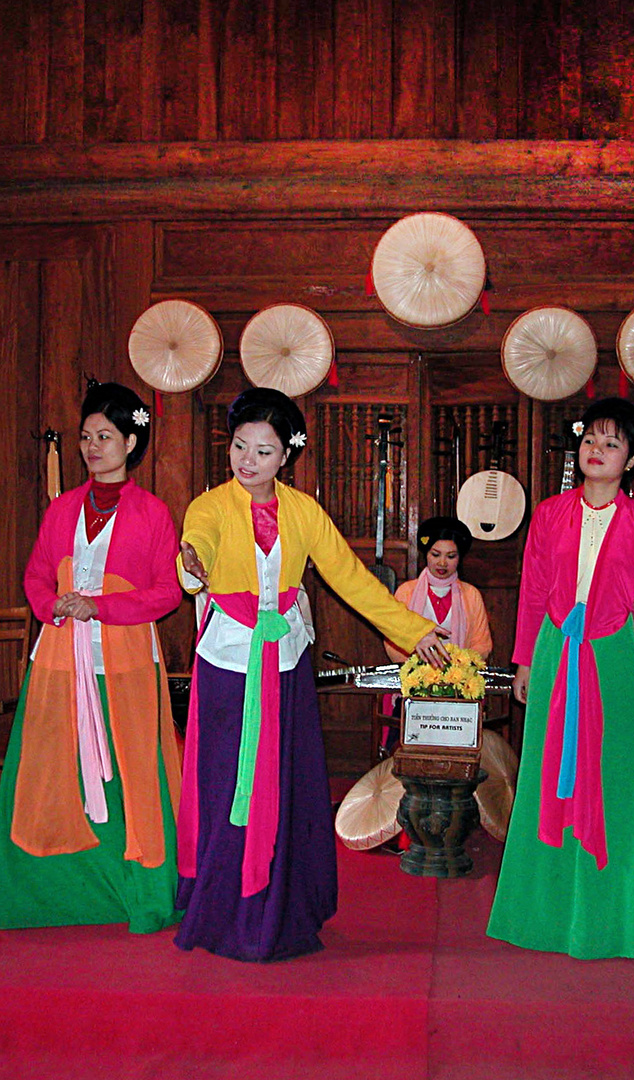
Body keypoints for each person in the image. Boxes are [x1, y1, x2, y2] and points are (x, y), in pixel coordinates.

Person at [174, 387, 449, 962]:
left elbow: (352, 579)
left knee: (286, 782)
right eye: (241, 447)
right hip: (228, 665)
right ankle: (227, 906)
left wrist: (415, 631)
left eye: (265, 452)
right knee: (228, 784)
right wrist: (191, 563)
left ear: (287, 456)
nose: (248, 461)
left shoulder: (303, 511)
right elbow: (194, 545)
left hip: (285, 666)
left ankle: (282, 904)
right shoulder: (210, 505)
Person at [486, 398, 634, 960]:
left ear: (631, 460)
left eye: (612, 443)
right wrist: (524, 661)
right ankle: (537, 915)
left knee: (611, 781)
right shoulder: (548, 513)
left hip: (615, 659)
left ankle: (603, 922)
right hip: (552, 651)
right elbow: (534, 591)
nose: (597, 449)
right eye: (591, 439)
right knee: (545, 779)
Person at [0, 380, 182, 933]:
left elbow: (167, 592)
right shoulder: (62, 510)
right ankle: (44, 893)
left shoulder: (153, 513)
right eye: (85, 436)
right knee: (45, 769)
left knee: (132, 774)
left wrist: (99, 606)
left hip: (124, 662)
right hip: (57, 660)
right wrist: (52, 602)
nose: (91, 446)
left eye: (105, 436)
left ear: (131, 442)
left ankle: (136, 890)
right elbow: (34, 574)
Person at [384, 515, 493, 664]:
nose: (442, 563)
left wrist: (459, 669)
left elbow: (482, 643)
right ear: (426, 555)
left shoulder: (471, 594)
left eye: (451, 556)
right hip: (415, 677)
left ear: (459, 558)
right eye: (435, 555)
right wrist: (415, 668)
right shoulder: (406, 591)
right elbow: (393, 640)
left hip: (459, 678)